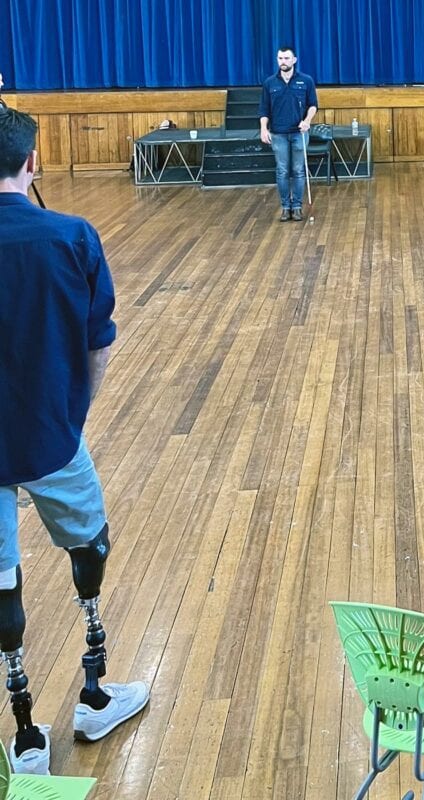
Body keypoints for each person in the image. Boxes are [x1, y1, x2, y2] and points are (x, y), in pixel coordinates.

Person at [0, 108, 150, 775]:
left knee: (1, 579)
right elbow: (98, 344)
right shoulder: (73, 237)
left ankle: (25, 736)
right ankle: (93, 693)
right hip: (51, 435)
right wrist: (73, 417)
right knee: (91, 542)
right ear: (32, 162)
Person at [258, 45, 318, 222]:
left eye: (286, 58)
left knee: (298, 171)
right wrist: (263, 128)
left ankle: (297, 207)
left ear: (294, 60)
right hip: (278, 134)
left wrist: (307, 121)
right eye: (280, 58)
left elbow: (313, 105)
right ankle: (285, 207)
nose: (283, 62)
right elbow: (264, 109)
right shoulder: (269, 83)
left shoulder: (306, 80)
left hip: (299, 133)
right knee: (282, 171)